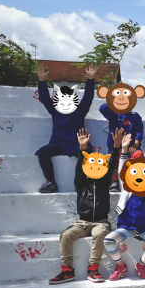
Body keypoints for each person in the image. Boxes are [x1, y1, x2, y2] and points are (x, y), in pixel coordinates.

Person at [49, 127, 122, 284]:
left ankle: (93, 268)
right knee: (66, 235)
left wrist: (116, 147)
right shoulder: (81, 183)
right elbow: (79, 169)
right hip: (83, 222)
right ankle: (67, 270)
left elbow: (113, 166)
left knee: (100, 233)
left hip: (100, 221)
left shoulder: (104, 183)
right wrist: (82, 148)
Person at [103, 138, 145, 281]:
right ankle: (120, 265)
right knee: (108, 240)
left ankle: (141, 265)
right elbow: (121, 167)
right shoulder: (126, 184)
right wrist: (123, 149)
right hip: (127, 227)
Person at [34, 63, 98, 193]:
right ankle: (51, 182)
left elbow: (88, 97)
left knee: (90, 155)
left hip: (77, 144)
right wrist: (42, 80)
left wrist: (91, 79)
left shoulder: (81, 110)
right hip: (59, 144)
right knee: (43, 152)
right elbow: (45, 98)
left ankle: (85, 184)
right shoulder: (55, 110)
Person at [99, 97, 143, 192]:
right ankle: (114, 181)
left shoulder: (135, 116)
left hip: (131, 148)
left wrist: (135, 144)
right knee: (115, 156)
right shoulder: (114, 114)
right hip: (116, 147)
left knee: (139, 154)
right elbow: (102, 108)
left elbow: (139, 132)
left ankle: (135, 179)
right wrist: (114, 99)